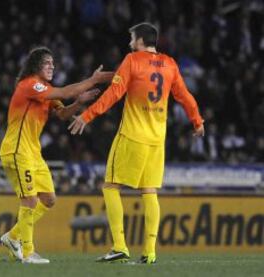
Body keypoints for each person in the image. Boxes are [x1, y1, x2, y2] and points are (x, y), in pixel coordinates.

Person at [69, 23, 205, 264]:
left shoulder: (132, 59)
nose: (130, 42)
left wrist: (86, 115)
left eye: (132, 38)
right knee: (150, 192)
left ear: (141, 40)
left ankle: (119, 245)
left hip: (132, 136)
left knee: (110, 186)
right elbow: (184, 95)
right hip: (156, 140)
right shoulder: (170, 63)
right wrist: (197, 121)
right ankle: (150, 252)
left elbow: (114, 93)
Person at [0, 46, 113, 264]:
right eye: (47, 63)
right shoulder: (30, 85)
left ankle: (12, 236)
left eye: (53, 63)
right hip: (17, 150)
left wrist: (79, 103)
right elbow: (64, 92)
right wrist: (93, 80)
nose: (52, 66)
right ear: (35, 66)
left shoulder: (44, 89)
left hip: (33, 152)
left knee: (49, 199)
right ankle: (28, 251)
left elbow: (62, 114)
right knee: (29, 200)